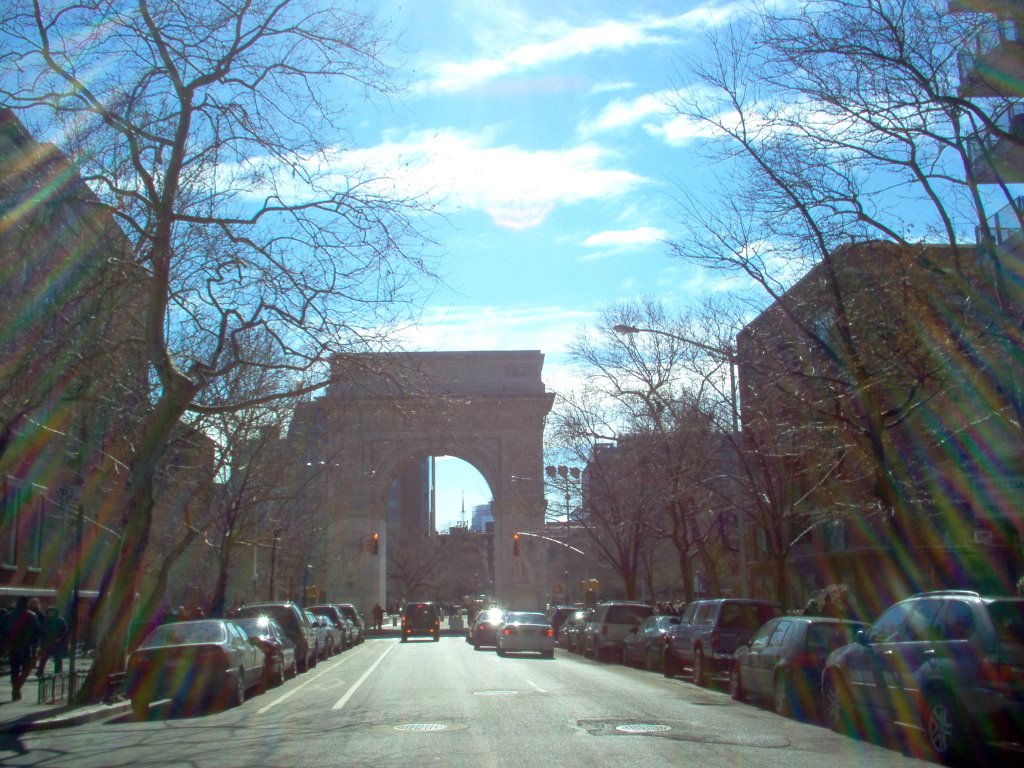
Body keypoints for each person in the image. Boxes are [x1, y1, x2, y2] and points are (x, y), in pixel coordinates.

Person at [0, 596, 41, 700]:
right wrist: (35, 647)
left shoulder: (8, 616)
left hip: (13, 645)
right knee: (27, 668)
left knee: (15, 669)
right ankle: (17, 688)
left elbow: (3, 632)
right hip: (26, 646)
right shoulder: (31, 615)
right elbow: (36, 633)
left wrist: (4, 647)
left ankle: (16, 689)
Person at [37, 606, 69, 676]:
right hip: (46, 641)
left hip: (57, 642)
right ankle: (40, 671)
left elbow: (64, 630)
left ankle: (58, 671)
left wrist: (60, 638)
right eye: (49, 612)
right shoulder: (45, 620)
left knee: (57, 657)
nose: (50, 613)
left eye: (52, 612)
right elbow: (41, 630)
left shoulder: (60, 620)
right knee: (43, 658)